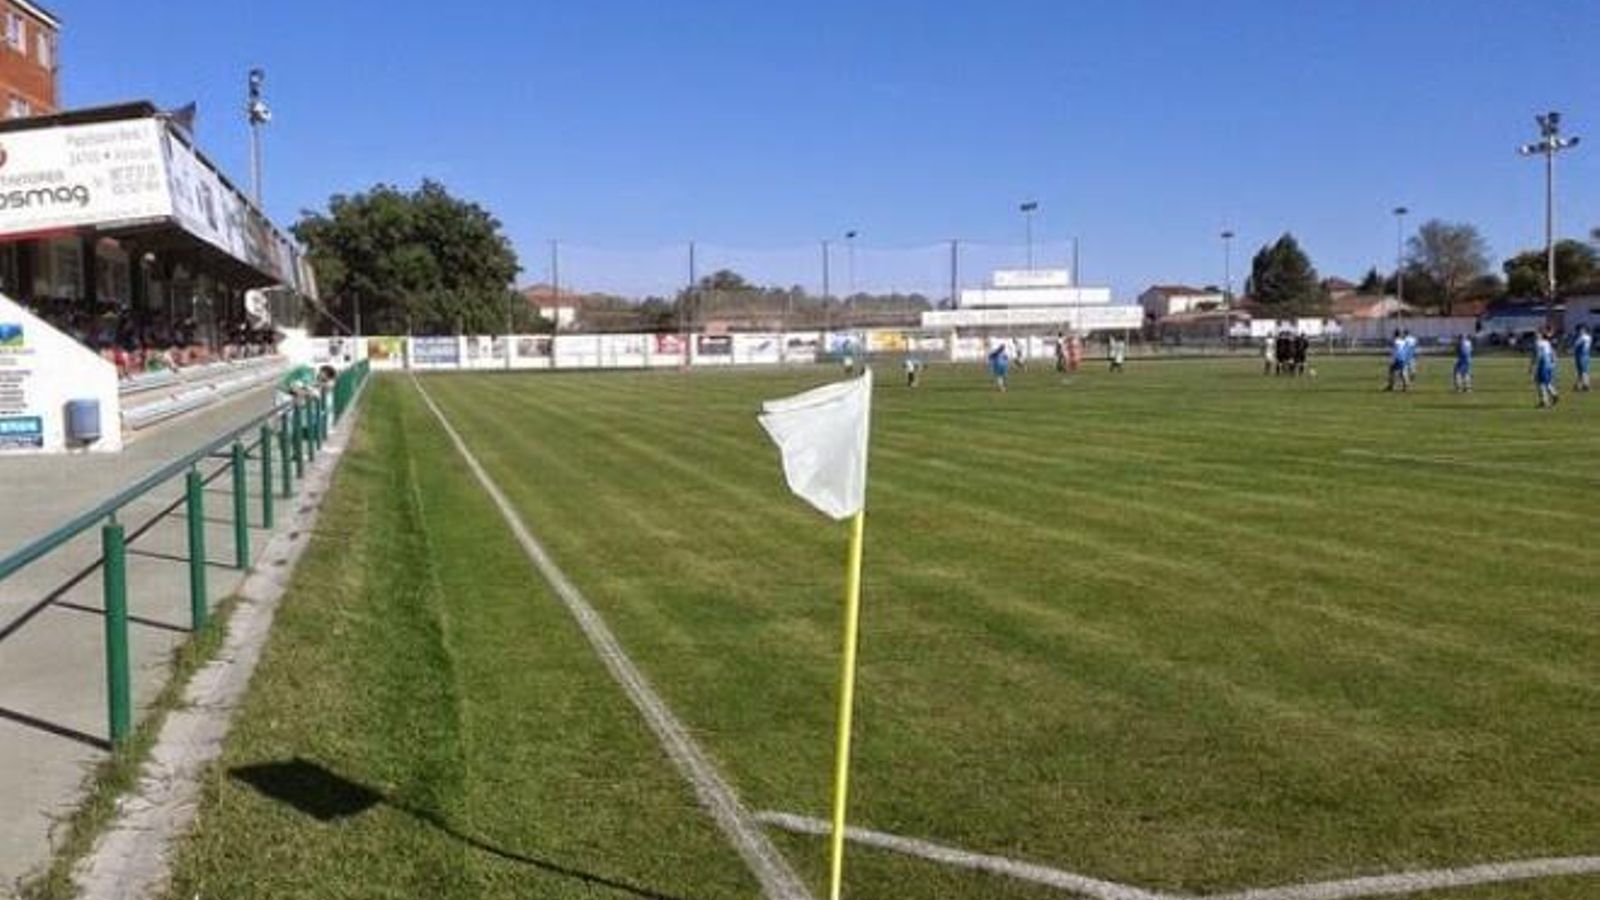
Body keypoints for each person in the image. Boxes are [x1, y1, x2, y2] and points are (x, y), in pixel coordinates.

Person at [1532, 327, 1560, 408]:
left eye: (1537, 333)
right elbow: (1553, 353)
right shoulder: (1547, 342)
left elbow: (1538, 356)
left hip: (1542, 365)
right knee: (1545, 382)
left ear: (1540, 335)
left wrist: (1534, 366)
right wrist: (1553, 363)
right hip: (1548, 365)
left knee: (1540, 383)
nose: (1535, 335)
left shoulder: (1538, 343)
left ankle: (1544, 401)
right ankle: (1554, 395)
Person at [1572, 324, 1592, 392]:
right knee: (1582, 371)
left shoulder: (1583, 337)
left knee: (1582, 371)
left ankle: (1585, 385)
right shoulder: (1588, 337)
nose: (1580, 331)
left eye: (1581, 330)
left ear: (1584, 330)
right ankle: (1579, 385)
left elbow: (1576, 345)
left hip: (1581, 355)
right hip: (1585, 355)